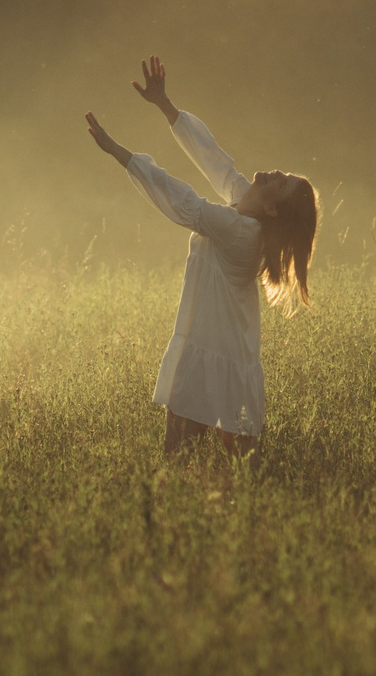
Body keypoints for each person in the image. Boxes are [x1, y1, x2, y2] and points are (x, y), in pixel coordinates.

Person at [85, 56, 318, 458]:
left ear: (274, 209)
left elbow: (182, 200)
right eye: (282, 172)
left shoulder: (241, 232)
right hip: (223, 358)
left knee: (181, 465)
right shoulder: (247, 210)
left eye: (280, 181)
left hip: (211, 359)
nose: (273, 172)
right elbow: (215, 161)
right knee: (227, 471)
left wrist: (116, 151)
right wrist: (165, 105)